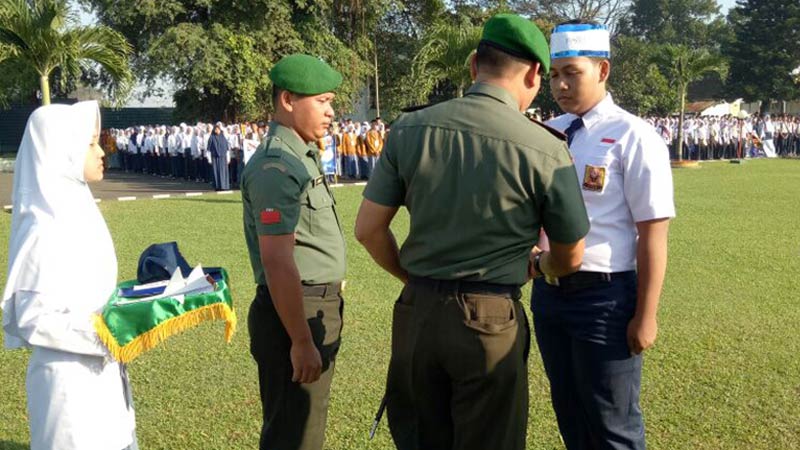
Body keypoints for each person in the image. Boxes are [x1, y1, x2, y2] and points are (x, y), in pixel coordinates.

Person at [354, 14, 590, 450]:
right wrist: (539, 265)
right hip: (490, 320)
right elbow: (571, 255)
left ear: (473, 66)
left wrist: (416, 282)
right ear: (535, 73)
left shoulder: (409, 129)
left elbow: (368, 230)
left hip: (417, 311)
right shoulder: (545, 148)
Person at [531, 20, 676, 450]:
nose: (559, 85)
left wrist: (645, 315)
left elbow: (653, 232)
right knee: (570, 413)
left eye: (571, 73)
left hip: (605, 299)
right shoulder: (549, 132)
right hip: (551, 294)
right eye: (554, 75)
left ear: (602, 70)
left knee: (614, 423)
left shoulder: (635, 136)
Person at [1, 101, 138, 450]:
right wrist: (106, 334)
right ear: (62, 150)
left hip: (103, 373)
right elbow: (33, 318)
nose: (101, 152)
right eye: (91, 143)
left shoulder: (76, 208)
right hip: (68, 386)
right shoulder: (43, 226)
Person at [241, 53, 346, 450]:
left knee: (306, 427)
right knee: (293, 435)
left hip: (312, 304)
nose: (331, 111)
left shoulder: (300, 155)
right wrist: (301, 340)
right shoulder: (277, 166)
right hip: (294, 314)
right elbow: (277, 259)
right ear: (288, 100)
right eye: (322, 101)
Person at [207, 122, 231, 191]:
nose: (216, 131)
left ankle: (224, 186)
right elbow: (208, 149)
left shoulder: (223, 138)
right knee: (216, 172)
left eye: (218, 129)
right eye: (215, 129)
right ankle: (217, 186)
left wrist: (228, 158)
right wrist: (209, 159)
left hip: (223, 158)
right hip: (215, 158)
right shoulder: (211, 138)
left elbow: (227, 149)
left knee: (223, 172)